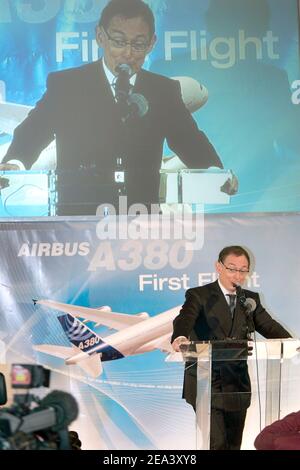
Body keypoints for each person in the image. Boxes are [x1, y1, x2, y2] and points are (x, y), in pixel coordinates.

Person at [0, 0, 230, 216]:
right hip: (76, 225)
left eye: (138, 44)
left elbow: (190, 140)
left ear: (152, 43)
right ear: (100, 36)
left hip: (142, 224)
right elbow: (34, 130)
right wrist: (15, 163)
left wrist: (216, 174)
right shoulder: (66, 85)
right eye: (119, 41)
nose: (128, 53)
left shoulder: (163, 90)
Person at [171, 245, 291, 450]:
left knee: (234, 445)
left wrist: (293, 344)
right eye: (232, 268)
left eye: (243, 270)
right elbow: (185, 318)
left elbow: (269, 326)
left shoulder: (250, 299)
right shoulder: (199, 295)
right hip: (206, 382)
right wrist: (180, 337)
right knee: (217, 444)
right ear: (219, 267)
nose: (238, 274)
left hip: (237, 384)